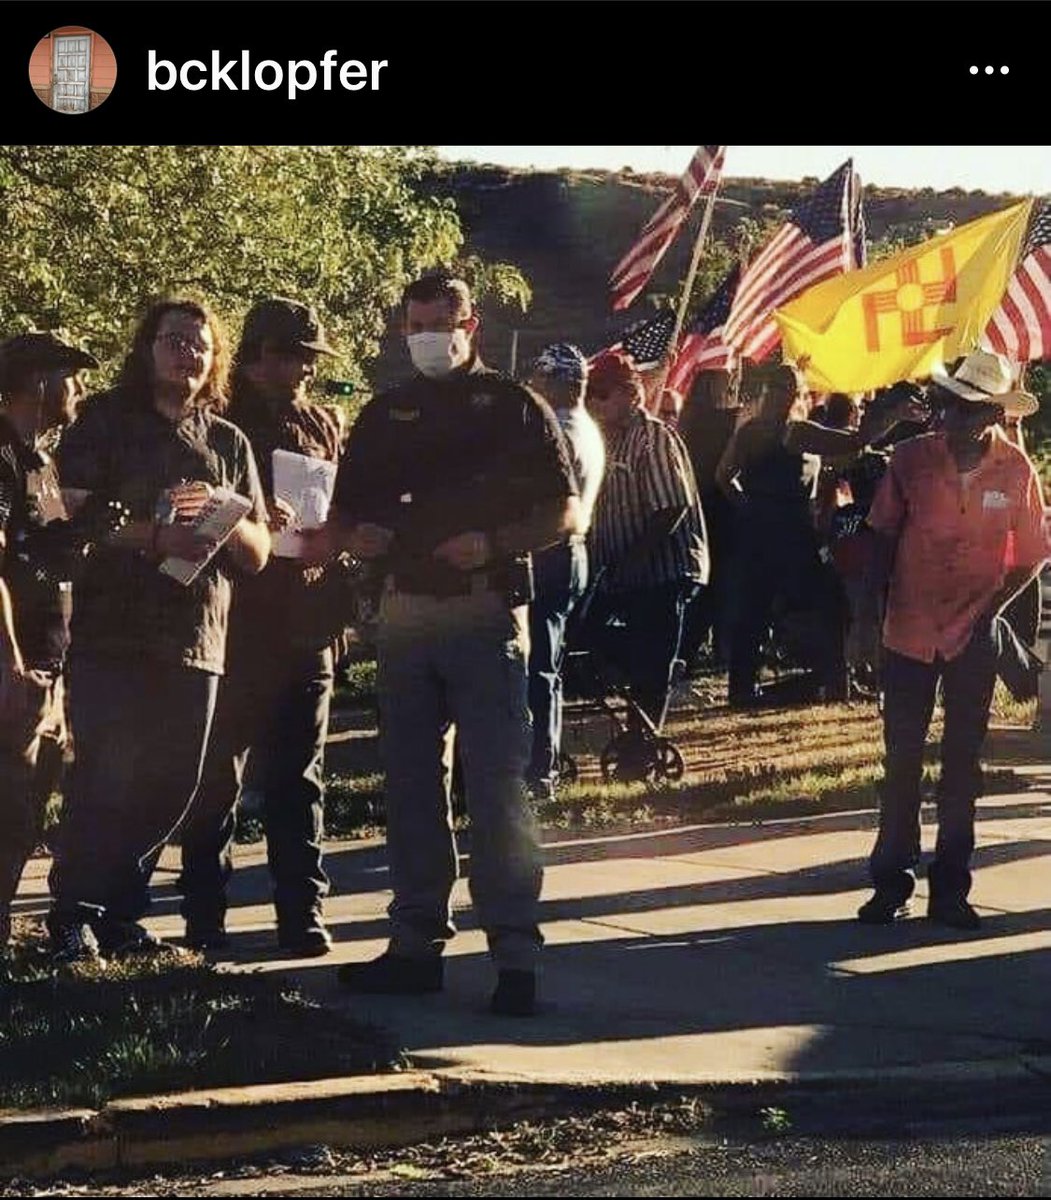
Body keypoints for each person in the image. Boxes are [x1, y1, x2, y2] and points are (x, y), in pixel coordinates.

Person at [317, 274, 580, 1017]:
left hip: (484, 610)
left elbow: (562, 510)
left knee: (497, 787)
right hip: (402, 613)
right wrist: (355, 539)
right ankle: (414, 945)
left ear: (472, 324)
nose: (429, 334)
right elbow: (342, 514)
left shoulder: (510, 406)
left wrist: (494, 541)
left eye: (442, 321)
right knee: (408, 786)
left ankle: (514, 954)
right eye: (416, 323)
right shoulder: (382, 412)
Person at [46, 298, 270, 964]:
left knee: (174, 783)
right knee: (105, 778)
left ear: (215, 357)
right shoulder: (102, 423)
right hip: (111, 633)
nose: (187, 354)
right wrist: (153, 536)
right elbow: (69, 519)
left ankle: (121, 914)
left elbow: (258, 551)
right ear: (147, 348)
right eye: (174, 341)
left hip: (198, 637)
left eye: (199, 345)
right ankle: (72, 913)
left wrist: (225, 523)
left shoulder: (228, 441)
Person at [858, 350, 1048, 929]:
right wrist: (864, 620)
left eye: (970, 412)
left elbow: (1033, 555)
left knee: (962, 765)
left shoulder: (1015, 470)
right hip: (908, 629)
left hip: (973, 635)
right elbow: (880, 539)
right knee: (902, 762)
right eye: (950, 408)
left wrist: (989, 612)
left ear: (992, 413)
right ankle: (891, 884)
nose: (956, 421)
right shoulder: (910, 459)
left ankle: (951, 890)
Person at [177, 298, 343, 956]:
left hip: (306, 617)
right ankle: (204, 917)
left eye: (307, 356)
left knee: (298, 778)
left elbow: (340, 502)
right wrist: (245, 512)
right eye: (288, 354)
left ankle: (301, 912)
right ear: (256, 355)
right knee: (215, 776)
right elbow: (188, 509)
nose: (300, 368)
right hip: (235, 620)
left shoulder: (321, 421)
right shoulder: (214, 423)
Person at [0, 332, 102, 949]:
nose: (81, 390)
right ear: (39, 383)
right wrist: (7, 663)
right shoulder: (2, 457)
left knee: (28, 808)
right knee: (7, 807)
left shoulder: (43, 462)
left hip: (50, 658)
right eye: (72, 376)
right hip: (15, 663)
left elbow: (43, 555)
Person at [586, 350, 709, 730]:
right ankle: (639, 714)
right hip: (617, 574)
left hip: (664, 570)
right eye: (590, 392)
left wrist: (632, 560)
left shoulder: (653, 436)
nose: (594, 401)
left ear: (631, 393)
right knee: (590, 639)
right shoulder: (602, 441)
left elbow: (671, 508)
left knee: (649, 655)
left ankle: (643, 741)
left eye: (603, 392)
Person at [523, 343, 605, 802]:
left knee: (538, 665)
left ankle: (539, 769)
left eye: (540, 378)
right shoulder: (587, 428)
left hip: (552, 552)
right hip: (572, 554)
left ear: (558, 381)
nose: (534, 386)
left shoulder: (560, 431)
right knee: (544, 663)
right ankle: (541, 762)